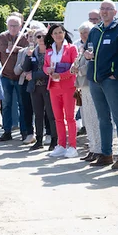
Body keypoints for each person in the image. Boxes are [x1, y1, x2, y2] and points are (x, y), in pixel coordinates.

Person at [84, 0, 118, 169]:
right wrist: (87, 55)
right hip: (95, 79)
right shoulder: (95, 30)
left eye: (108, 9)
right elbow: (86, 49)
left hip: (111, 80)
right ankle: (106, 154)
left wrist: (116, 73)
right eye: (102, 9)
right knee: (103, 118)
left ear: (115, 12)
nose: (104, 12)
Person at [0, 13, 33, 142]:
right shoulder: (0, 38)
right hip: (5, 77)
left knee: (23, 105)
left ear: (20, 25)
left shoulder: (25, 38)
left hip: (20, 77)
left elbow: (30, 52)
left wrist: (18, 49)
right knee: (6, 105)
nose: (13, 28)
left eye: (16, 25)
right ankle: (7, 131)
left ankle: (24, 131)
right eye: (11, 25)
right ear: (7, 25)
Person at [18, 27, 58, 151]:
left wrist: (33, 75)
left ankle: (54, 140)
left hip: (48, 86)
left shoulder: (52, 51)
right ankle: (39, 140)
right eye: (38, 36)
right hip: (35, 87)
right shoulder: (33, 51)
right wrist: (28, 57)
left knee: (51, 115)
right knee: (38, 114)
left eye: (43, 36)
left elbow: (49, 70)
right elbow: (25, 68)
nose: (41, 39)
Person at [45, 23, 80, 158]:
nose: (58, 35)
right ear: (51, 36)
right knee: (58, 117)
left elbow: (74, 67)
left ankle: (73, 146)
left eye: (60, 32)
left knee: (70, 117)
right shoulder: (49, 50)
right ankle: (61, 145)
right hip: (53, 86)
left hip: (68, 86)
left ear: (64, 33)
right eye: (55, 33)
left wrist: (61, 75)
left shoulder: (71, 48)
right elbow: (45, 66)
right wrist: (47, 70)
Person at [74, 22, 102, 161]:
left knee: (93, 118)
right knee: (87, 119)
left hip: (91, 84)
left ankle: (98, 148)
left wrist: (78, 69)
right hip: (82, 86)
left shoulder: (93, 47)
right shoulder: (82, 48)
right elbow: (78, 64)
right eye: (81, 33)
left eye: (86, 32)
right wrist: (75, 67)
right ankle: (92, 147)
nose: (83, 35)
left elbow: (91, 65)